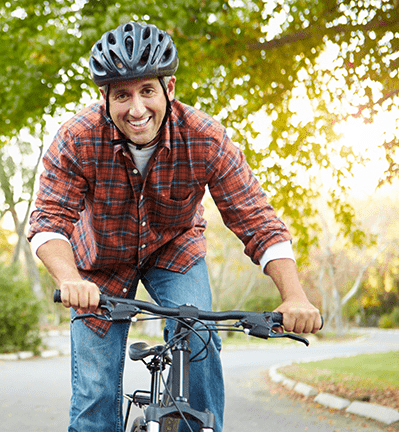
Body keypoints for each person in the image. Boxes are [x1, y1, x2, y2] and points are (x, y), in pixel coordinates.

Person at [27, 22, 321, 432]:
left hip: (174, 250)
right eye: (122, 95)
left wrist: (294, 297)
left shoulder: (205, 138)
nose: (136, 108)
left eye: (147, 90)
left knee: (197, 335)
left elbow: (255, 218)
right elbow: (48, 220)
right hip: (99, 264)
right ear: (104, 97)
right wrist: (69, 278)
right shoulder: (77, 139)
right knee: (94, 393)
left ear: (169, 87)